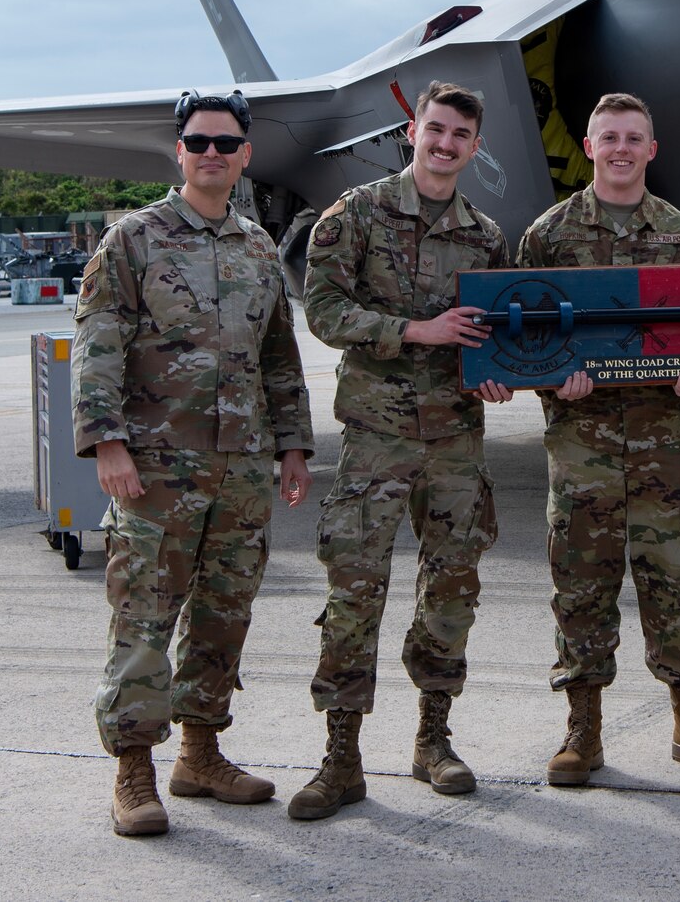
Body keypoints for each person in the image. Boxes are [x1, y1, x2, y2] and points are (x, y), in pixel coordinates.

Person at [73, 88, 315, 837]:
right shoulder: (133, 240)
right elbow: (98, 342)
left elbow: (279, 354)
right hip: (155, 466)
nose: (212, 153)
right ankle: (134, 770)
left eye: (226, 143)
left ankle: (201, 754)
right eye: (199, 141)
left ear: (245, 155)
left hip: (240, 467)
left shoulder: (257, 247)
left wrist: (293, 444)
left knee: (224, 613)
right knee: (144, 615)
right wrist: (106, 443)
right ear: (178, 151)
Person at [291, 81, 514, 821]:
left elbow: (497, 331)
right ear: (412, 130)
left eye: (461, 136)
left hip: (455, 436)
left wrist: (495, 377)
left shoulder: (486, 235)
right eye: (436, 129)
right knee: (354, 592)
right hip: (378, 435)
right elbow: (321, 309)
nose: (446, 144)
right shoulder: (355, 214)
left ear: (475, 148)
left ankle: (433, 739)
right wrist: (414, 331)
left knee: (451, 591)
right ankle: (342, 757)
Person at [516, 93, 680, 787]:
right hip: (581, 445)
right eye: (608, 136)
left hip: (663, 443)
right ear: (588, 147)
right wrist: (556, 381)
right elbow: (522, 337)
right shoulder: (548, 236)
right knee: (581, 584)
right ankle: (582, 729)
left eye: (633, 137)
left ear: (651, 149)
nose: (620, 148)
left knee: (676, 580)